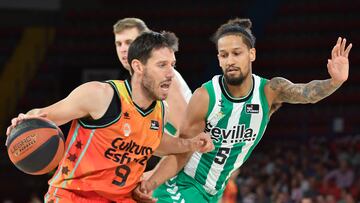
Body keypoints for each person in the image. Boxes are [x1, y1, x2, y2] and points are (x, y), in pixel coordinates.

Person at [132, 18, 353, 203]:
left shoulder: (269, 91)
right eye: (224, 55)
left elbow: (306, 93)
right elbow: (182, 151)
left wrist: (335, 82)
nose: (230, 60)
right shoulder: (205, 96)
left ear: (251, 54)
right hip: (184, 185)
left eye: (236, 53)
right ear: (218, 59)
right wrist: (150, 184)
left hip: (213, 193)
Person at [6, 31, 213, 203]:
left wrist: (192, 144)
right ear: (138, 67)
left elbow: (155, 144)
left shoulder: (161, 111)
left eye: (173, 65)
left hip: (122, 199)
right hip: (75, 195)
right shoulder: (101, 95)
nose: (171, 73)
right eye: (162, 65)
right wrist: (25, 121)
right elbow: (46, 115)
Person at [113, 18, 192, 171]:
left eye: (129, 42)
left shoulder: (164, 77)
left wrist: (155, 175)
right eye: (119, 43)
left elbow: (188, 135)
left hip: (190, 170)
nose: (123, 49)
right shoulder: (141, 79)